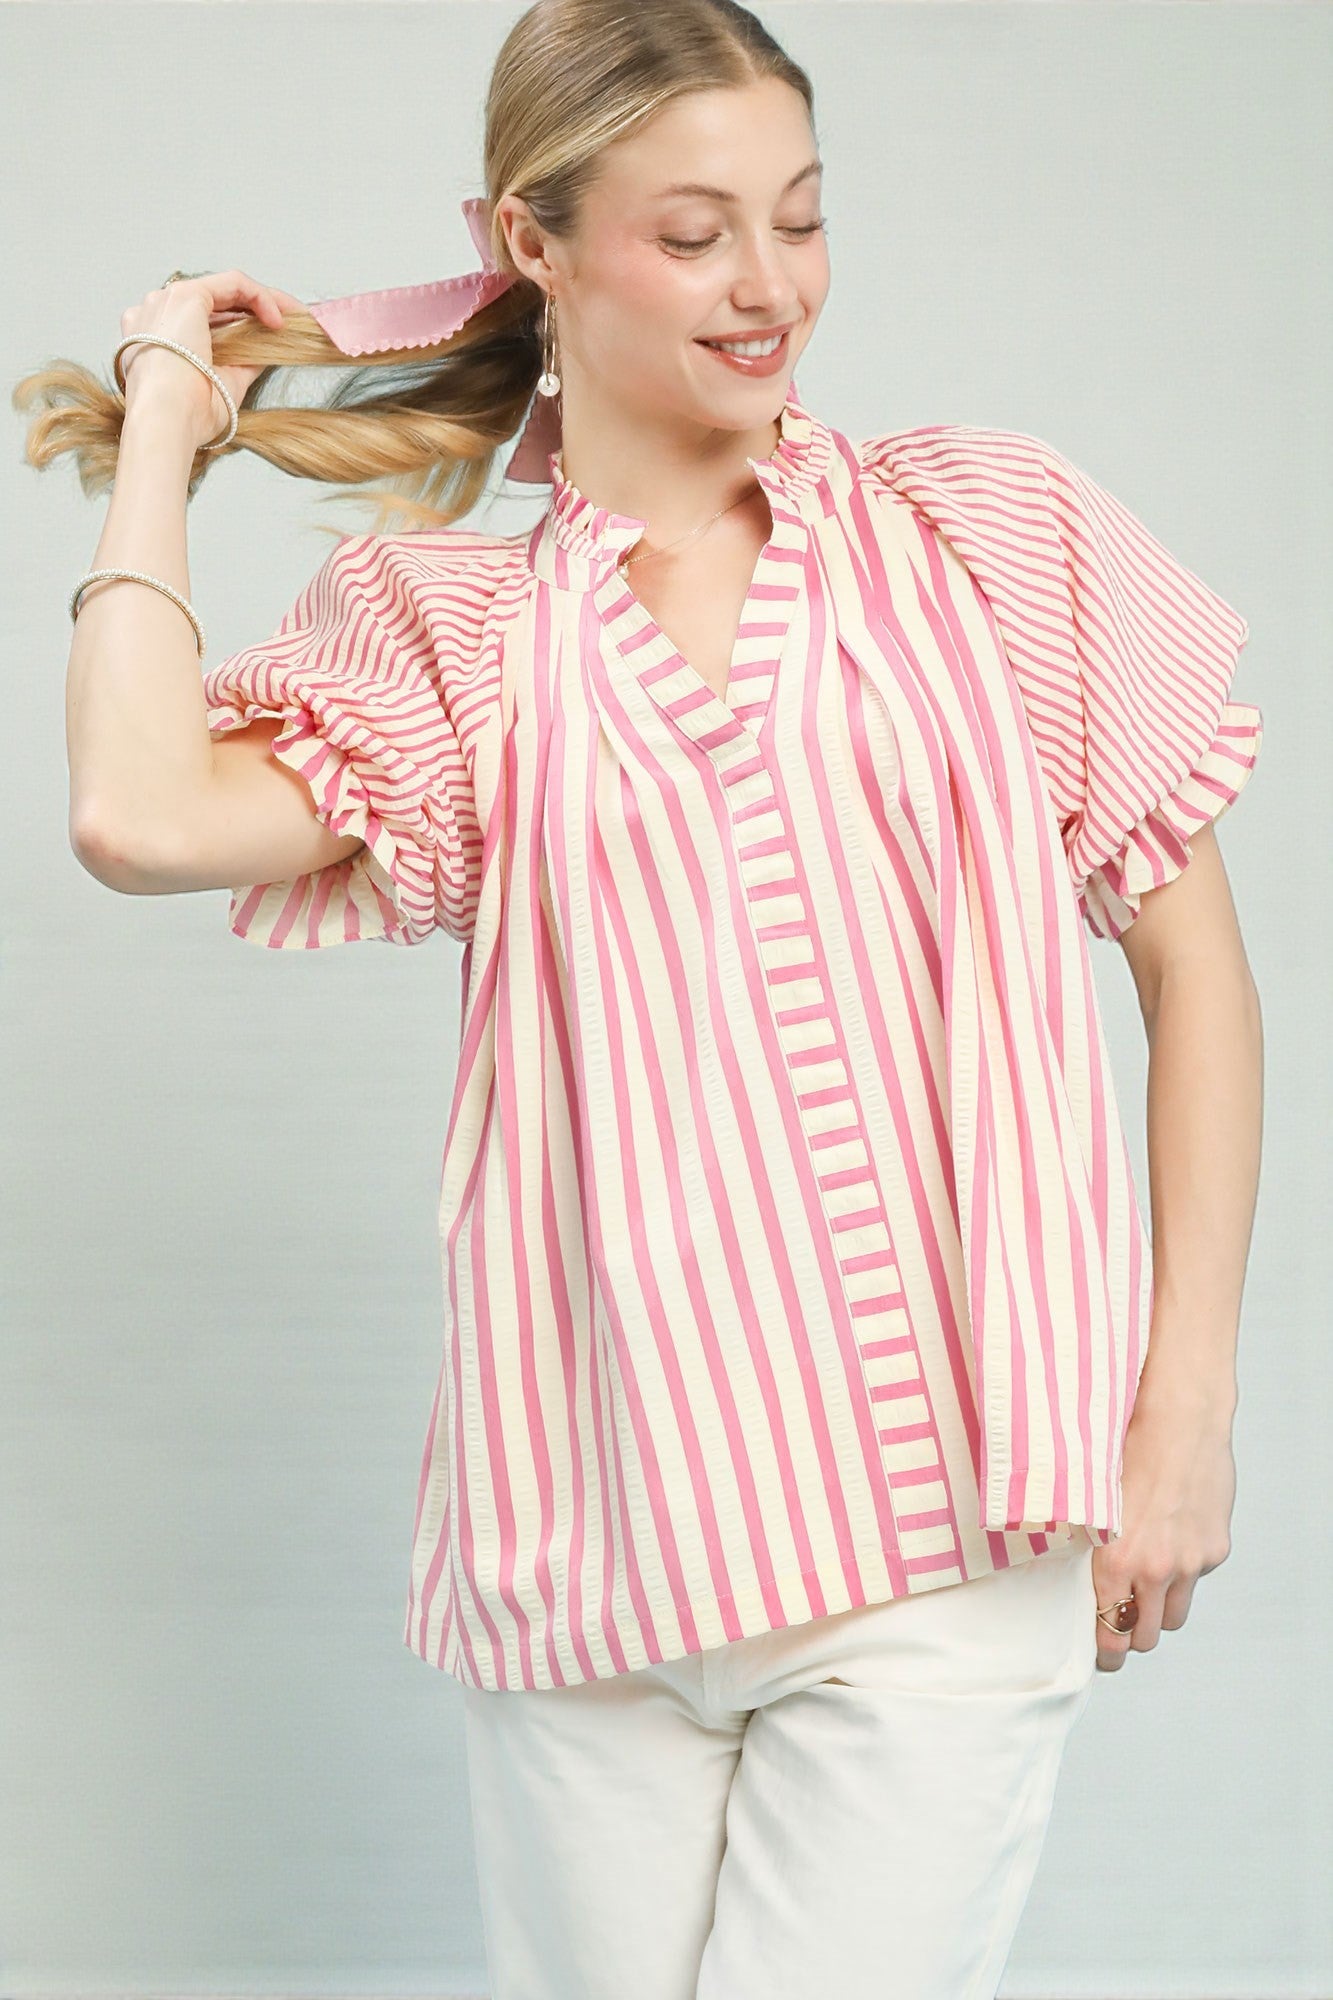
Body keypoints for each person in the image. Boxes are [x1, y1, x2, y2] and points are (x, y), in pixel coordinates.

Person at [27, 2, 1263, 1994]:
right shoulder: (461, 637)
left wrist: (1180, 1411)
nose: (767, 283)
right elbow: (135, 810)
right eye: (693, 234)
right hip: (591, 1562)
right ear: (531, 241)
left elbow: (1194, 970)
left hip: (943, 1550)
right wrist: (166, 426)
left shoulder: (986, 537)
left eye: (797, 216)